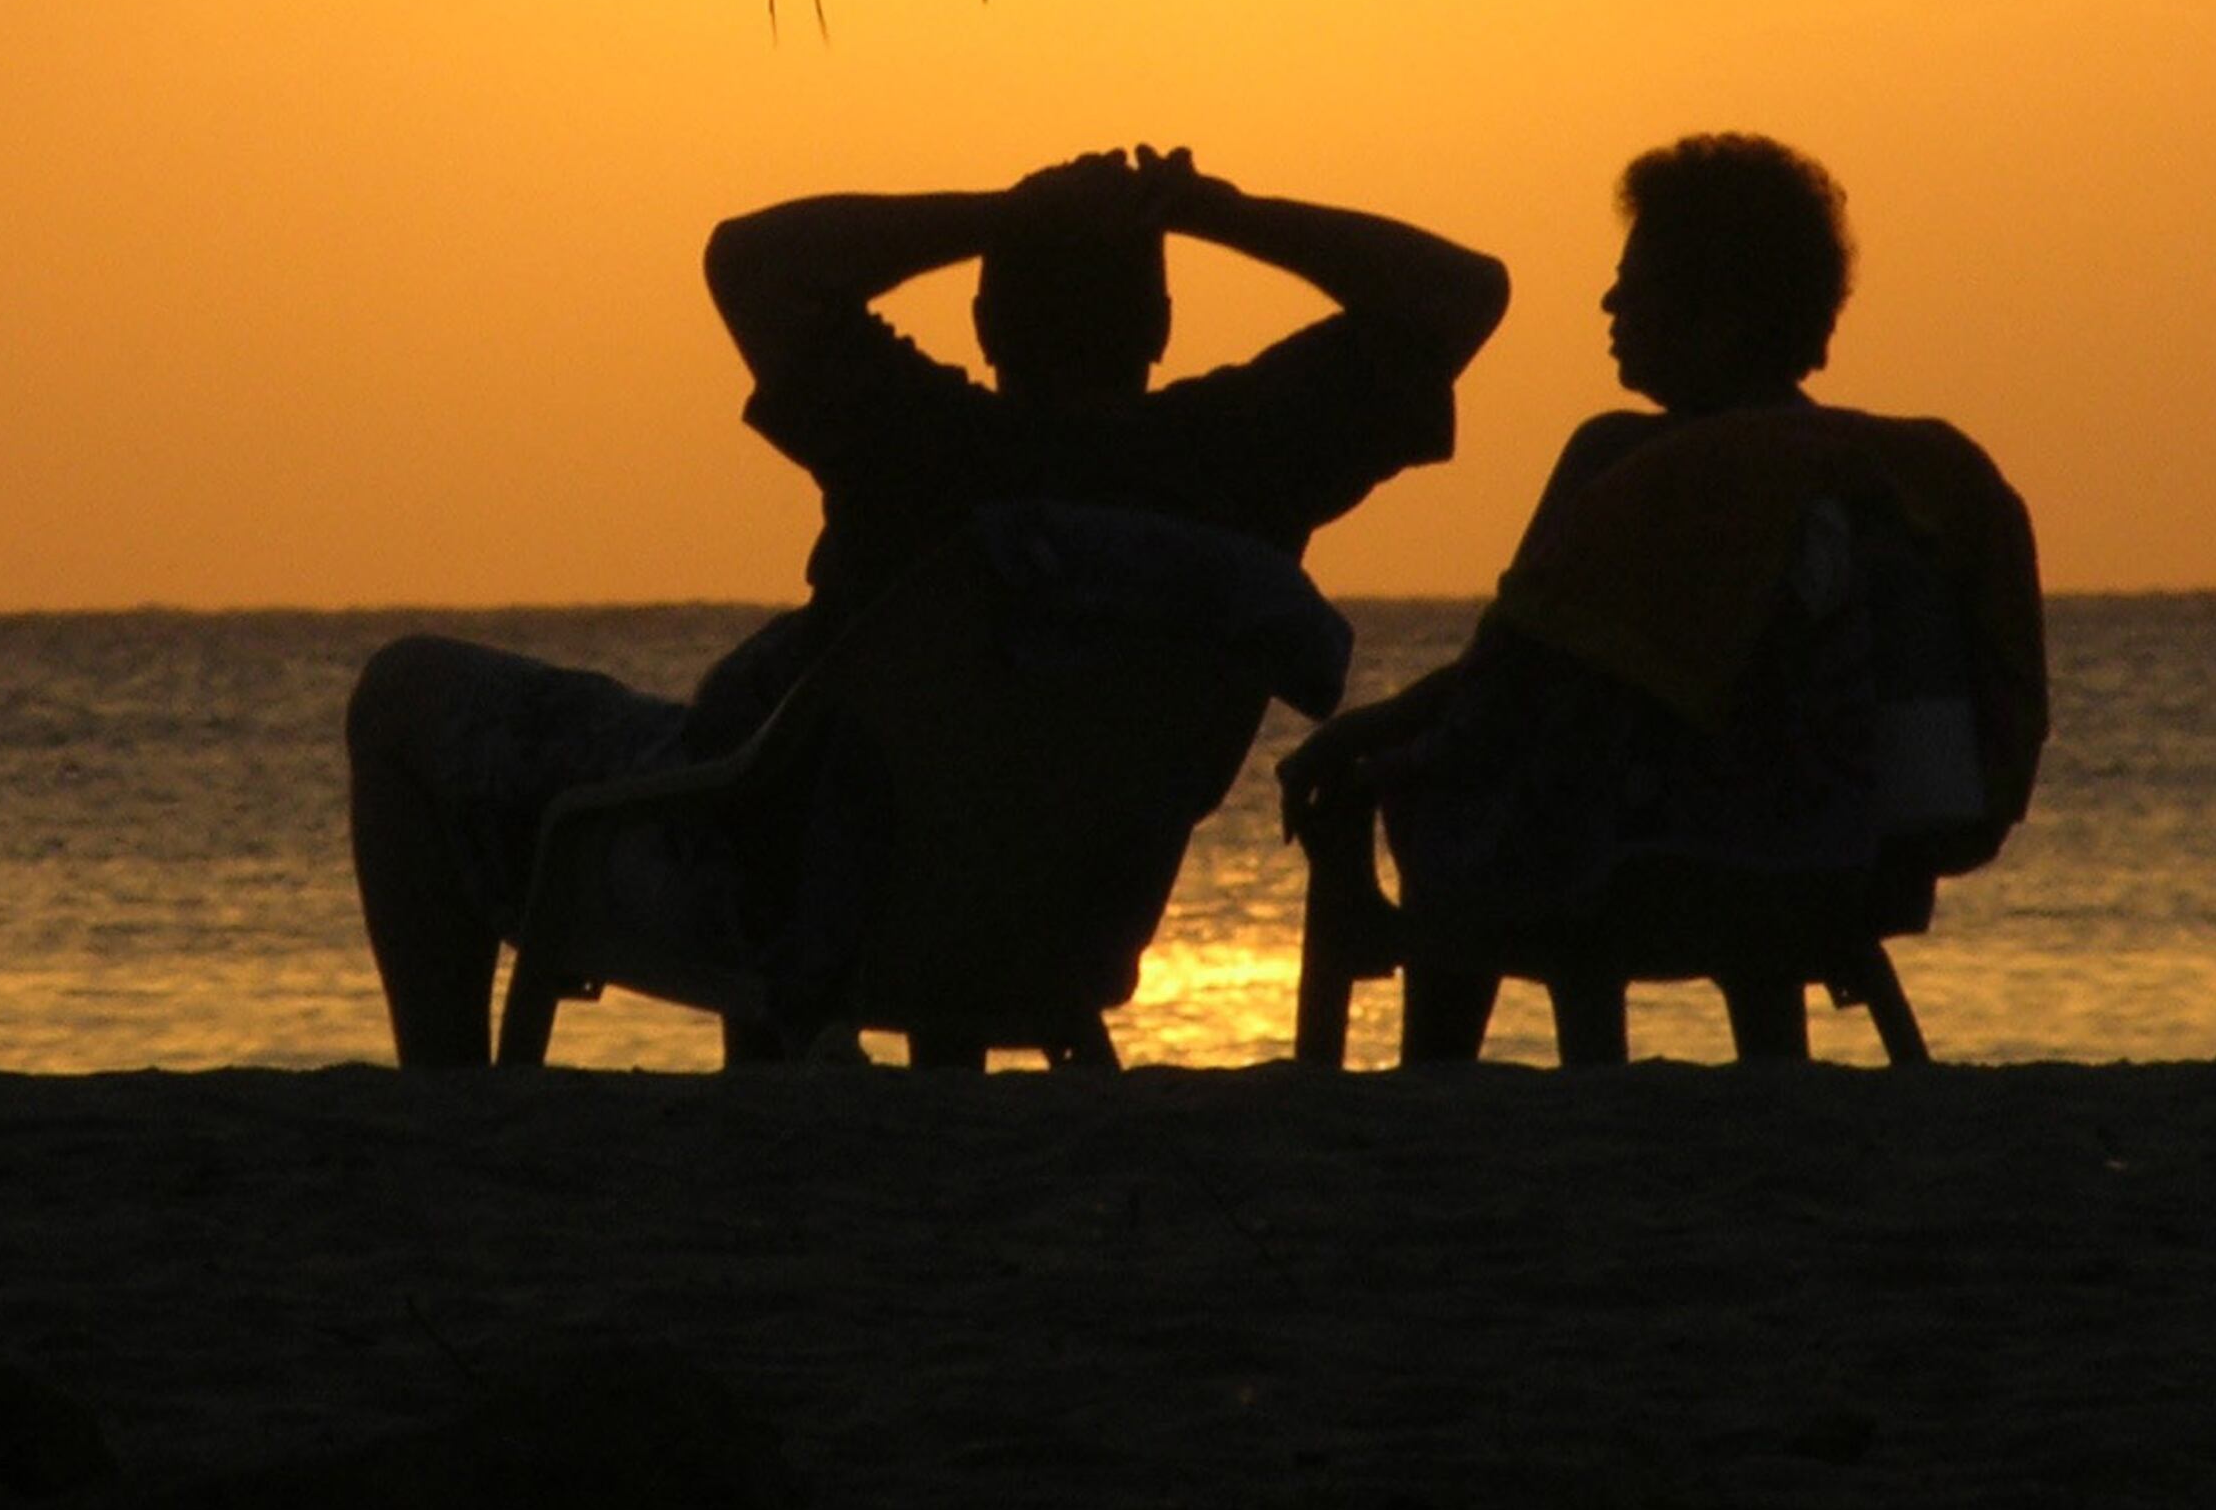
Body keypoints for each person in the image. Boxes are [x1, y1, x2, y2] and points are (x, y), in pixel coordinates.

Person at [348, 138, 1508, 1067]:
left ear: (986, 322)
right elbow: (1462, 291)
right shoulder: (1248, 461)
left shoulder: (917, 439)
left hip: (787, 895)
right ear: (1159, 327)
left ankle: (447, 1097)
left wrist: (998, 213)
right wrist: (1212, 210)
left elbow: (752, 258)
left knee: (406, 688)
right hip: (1055, 928)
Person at [1279, 130, 2047, 1059]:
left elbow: (1513, 674)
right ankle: (1769, 1050)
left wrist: (1370, 731)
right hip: (1837, 858)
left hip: (1647, 863)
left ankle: (1433, 1073)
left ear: (1716, 316)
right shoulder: (1890, 475)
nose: (1609, 302)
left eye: (1633, 282)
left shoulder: (1632, 462)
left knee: (1450, 778)